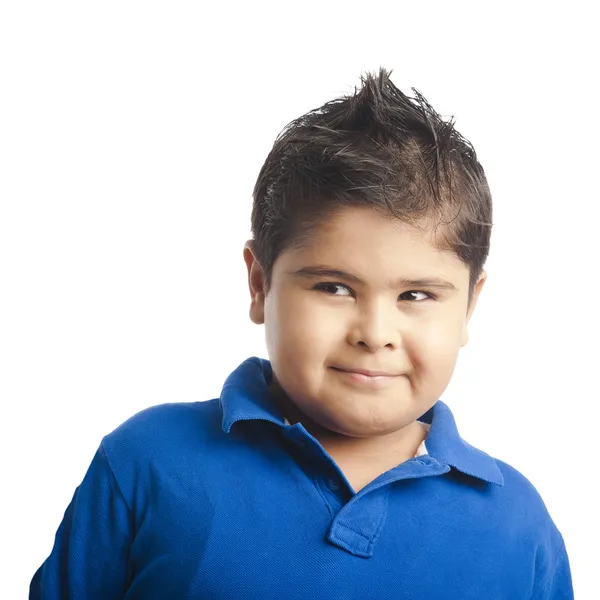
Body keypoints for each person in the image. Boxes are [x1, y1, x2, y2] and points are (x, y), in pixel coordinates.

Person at [30, 69, 573, 599]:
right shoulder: (148, 461)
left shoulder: (520, 526)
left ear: (470, 306)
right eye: (335, 288)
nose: (375, 333)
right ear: (260, 284)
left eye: (417, 295)